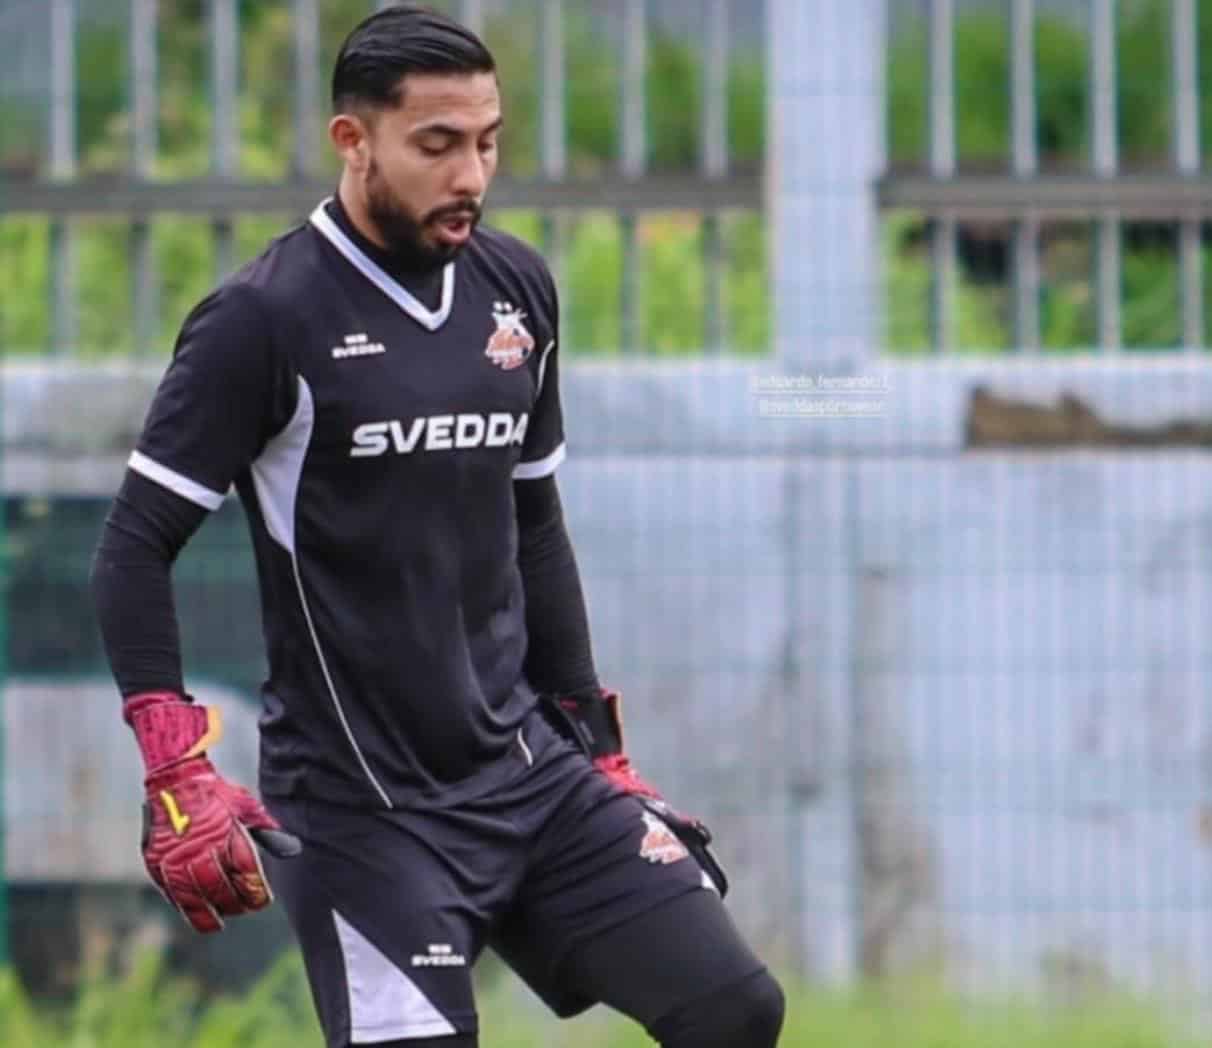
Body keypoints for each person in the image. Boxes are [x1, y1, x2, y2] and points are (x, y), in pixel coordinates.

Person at [90, 7, 785, 1047]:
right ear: (352, 140)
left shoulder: (515, 294)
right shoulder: (263, 320)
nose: (470, 173)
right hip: (364, 812)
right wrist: (174, 763)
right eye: (437, 144)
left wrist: (593, 747)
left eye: (488, 141)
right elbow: (133, 548)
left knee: (730, 1007)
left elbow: (532, 522)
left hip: (529, 774)